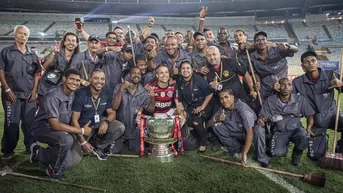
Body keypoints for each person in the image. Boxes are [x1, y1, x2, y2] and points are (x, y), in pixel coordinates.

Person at [30, 69, 92, 180]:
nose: (75, 82)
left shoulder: (72, 94)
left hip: (60, 130)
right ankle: (53, 170)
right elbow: (54, 125)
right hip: (42, 128)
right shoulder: (53, 96)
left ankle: (39, 153)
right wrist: (81, 131)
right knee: (66, 140)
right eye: (72, 79)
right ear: (64, 79)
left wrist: (82, 140)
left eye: (78, 80)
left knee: (68, 164)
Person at [0, 25, 42, 159]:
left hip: (29, 95)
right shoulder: (6, 51)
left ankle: (30, 146)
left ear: (27, 37)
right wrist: (7, 89)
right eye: (20, 33)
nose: (22, 36)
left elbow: (37, 73)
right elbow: (1, 71)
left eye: (25, 34)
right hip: (11, 95)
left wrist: (34, 91)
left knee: (30, 123)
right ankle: (8, 150)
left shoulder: (32, 54)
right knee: (11, 124)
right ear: (14, 35)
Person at [293, 51, 343, 160]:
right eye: (307, 62)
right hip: (316, 120)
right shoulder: (297, 82)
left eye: (313, 60)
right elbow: (290, 98)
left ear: (317, 62)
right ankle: (323, 138)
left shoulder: (331, 74)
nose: (311, 63)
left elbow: (341, 86)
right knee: (315, 156)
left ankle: (340, 149)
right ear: (302, 66)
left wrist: (341, 84)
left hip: (333, 114)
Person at [257, 78, 315, 166]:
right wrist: (261, 119)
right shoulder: (271, 100)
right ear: (278, 87)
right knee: (277, 153)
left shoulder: (300, 99)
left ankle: (296, 156)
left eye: (289, 84)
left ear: (292, 87)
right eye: (283, 84)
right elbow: (263, 115)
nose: (286, 87)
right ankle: (274, 144)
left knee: (304, 136)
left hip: (296, 129)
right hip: (279, 131)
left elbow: (310, 115)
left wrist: (309, 127)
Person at [71, 69, 125, 159]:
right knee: (74, 160)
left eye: (102, 79)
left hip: (97, 124)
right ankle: (87, 141)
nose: (99, 81)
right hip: (83, 128)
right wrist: (83, 141)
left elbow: (112, 112)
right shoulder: (80, 94)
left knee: (119, 127)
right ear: (90, 79)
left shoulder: (105, 92)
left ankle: (98, 146)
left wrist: (106, 122)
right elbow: (74, 121)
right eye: (96, 78)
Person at [112, 67, 154, 153]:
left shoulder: (143, 91)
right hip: (121, 130)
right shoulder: (119, 87)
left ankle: (130, 143)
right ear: (129, 75)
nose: (136, 75)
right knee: (114, 151)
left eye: (138, 73)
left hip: (134, 131)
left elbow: (150, 110)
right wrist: (121, 90)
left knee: (138, 150)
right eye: (134, 73)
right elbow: (114, 107)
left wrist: (153, 98)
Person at [209, 89, 254, 167]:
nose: (224, 101)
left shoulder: (243, 109)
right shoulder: (222, 109)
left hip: (247, 134)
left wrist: (244, 153)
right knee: (216, 126)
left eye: (226, 97)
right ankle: (235, 147)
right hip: (234, 132)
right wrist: (217, 118)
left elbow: (250, 131)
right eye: (221, 98)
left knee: (257, 131)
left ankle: (248, 148)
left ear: (232, 97)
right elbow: (208, 124)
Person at [250, 31, 299, 101]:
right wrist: (257, 82)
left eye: (263, 39)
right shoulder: (252, 57)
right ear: (255, 43)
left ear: (267, 41)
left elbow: (296, 49)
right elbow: (255, 73)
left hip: (282, 85)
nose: (261, 42)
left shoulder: (277, 49)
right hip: (265, 89)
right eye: (258, 40)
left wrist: (287, 46)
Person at [176, 60, 213, 152]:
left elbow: (209, 94)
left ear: (192, 70)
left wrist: (202, 107)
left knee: (196, 122)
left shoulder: (199, 80)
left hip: (206, 103)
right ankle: (193, 139)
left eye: (188, 68)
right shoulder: (179, 80)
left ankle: (203, 143)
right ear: (180, 71)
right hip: (191, 105)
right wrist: (181, 109)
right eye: (183, 68)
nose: (185, 70)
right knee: (185, 119)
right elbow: (178, 97)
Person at [38, 32, 80, 100]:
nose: (71, 42)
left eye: (73, 41)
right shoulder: (56, 53)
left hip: (62, 93)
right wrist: (54, 54)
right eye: (68, 40)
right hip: (46, 90)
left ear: (76, 44)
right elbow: (44, 66)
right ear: (64, 43)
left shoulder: (77, 58)